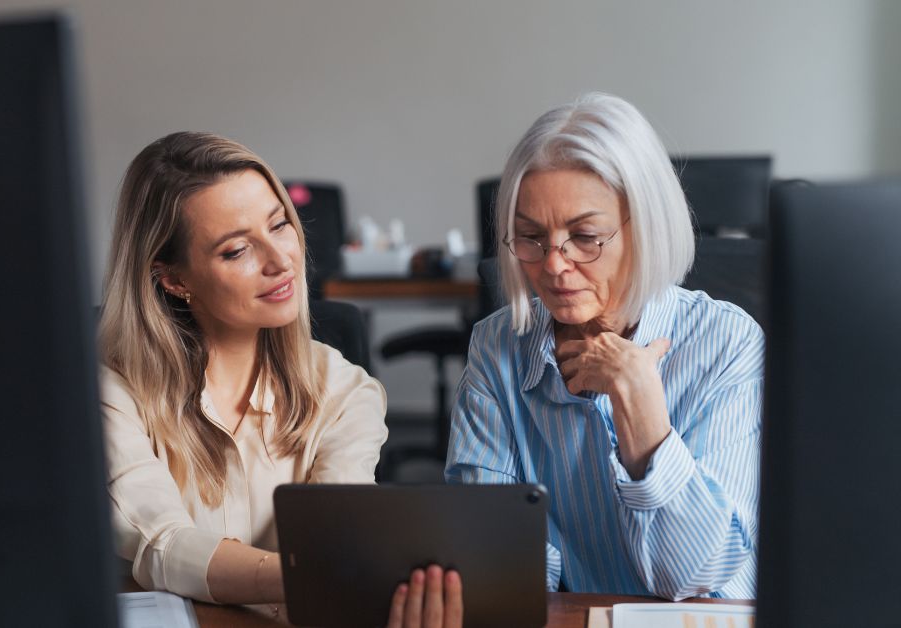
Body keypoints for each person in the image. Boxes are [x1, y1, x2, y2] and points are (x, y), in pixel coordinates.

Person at [98, 131, 462, 625]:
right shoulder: (108, 392)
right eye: (236, 251)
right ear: (173, 279)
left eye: (280, 225)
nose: (280, 260)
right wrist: (312, 576)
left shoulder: (342, 388)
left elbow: (340, 538)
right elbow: (163, 543)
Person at [446, 93, 761, 600]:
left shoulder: (726, 343)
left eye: (585, 236)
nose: (553, 264)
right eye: (531, 237)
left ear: (647, 228)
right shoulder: (497, 346)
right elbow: (500, 562)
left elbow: (692, 578)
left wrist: (639, 406)